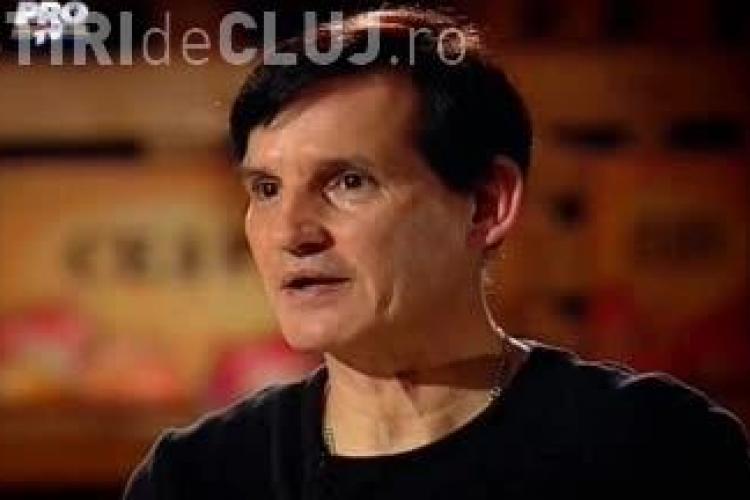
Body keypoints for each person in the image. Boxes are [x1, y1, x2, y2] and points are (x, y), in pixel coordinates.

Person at [124, 7, 750, 499]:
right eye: (266, 189)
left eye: (348, 182)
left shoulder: (656, 452)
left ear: (486, 205)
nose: (290, 231)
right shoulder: (197, 478)